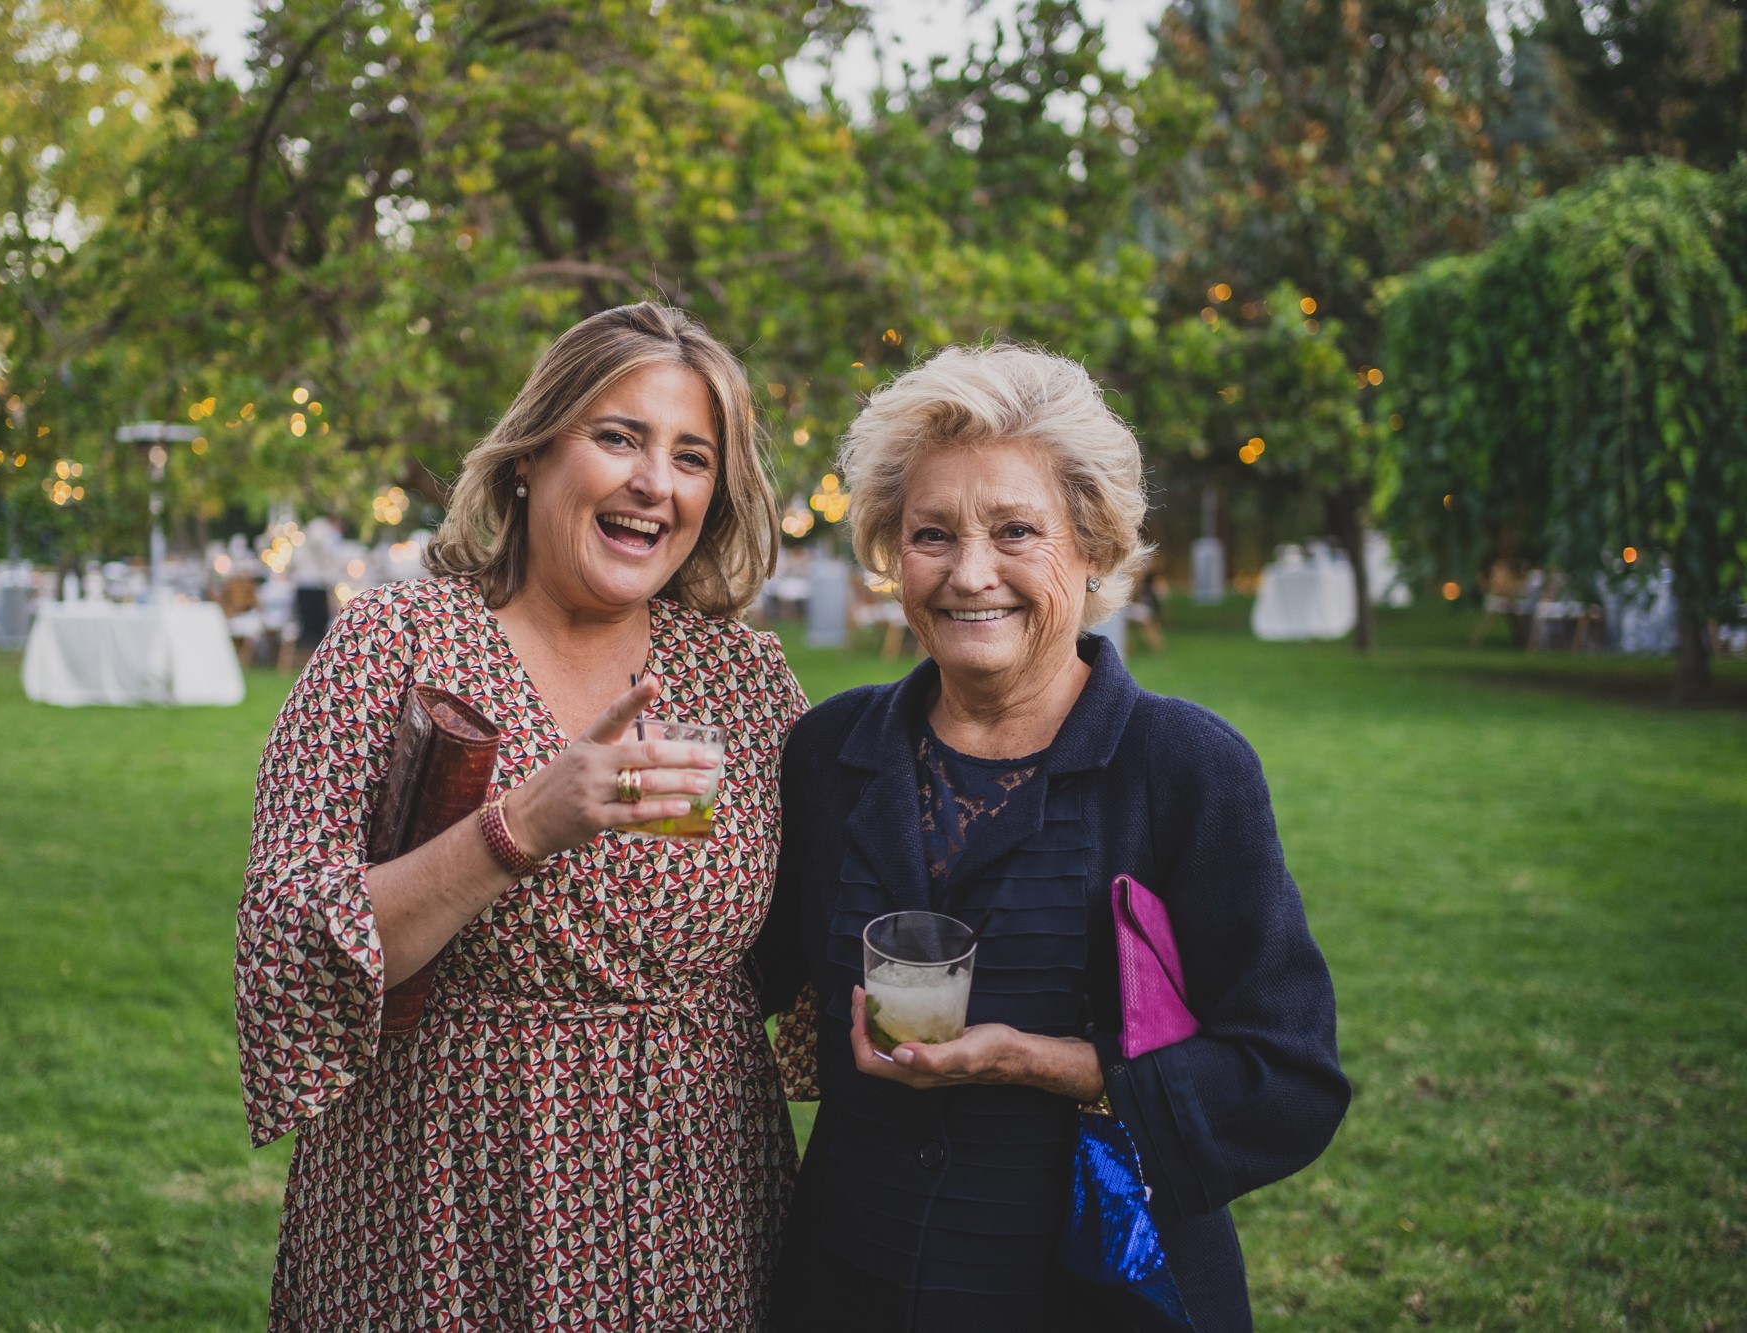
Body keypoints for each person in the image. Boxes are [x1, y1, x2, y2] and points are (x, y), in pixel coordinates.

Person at [755, 344, 1349, 1332]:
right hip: (849, 1274)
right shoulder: (827, 755)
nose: (967, 574)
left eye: (1014, 530)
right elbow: (740, 989)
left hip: (1088, 1289)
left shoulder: (1185, 769)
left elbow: (1284, 1081)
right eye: (930, 534)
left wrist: (1040, 1060)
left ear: (1090, 545)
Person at [235, 302, 804, 1329]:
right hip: (442, 1203)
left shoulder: (740, 679)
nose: (652, 482)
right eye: (617, 436)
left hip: (700, 1204)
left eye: (690, 457)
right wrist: (519, 827)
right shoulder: (395, 646)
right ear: (530, 457)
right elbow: (294, 945)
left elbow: (823, 920)